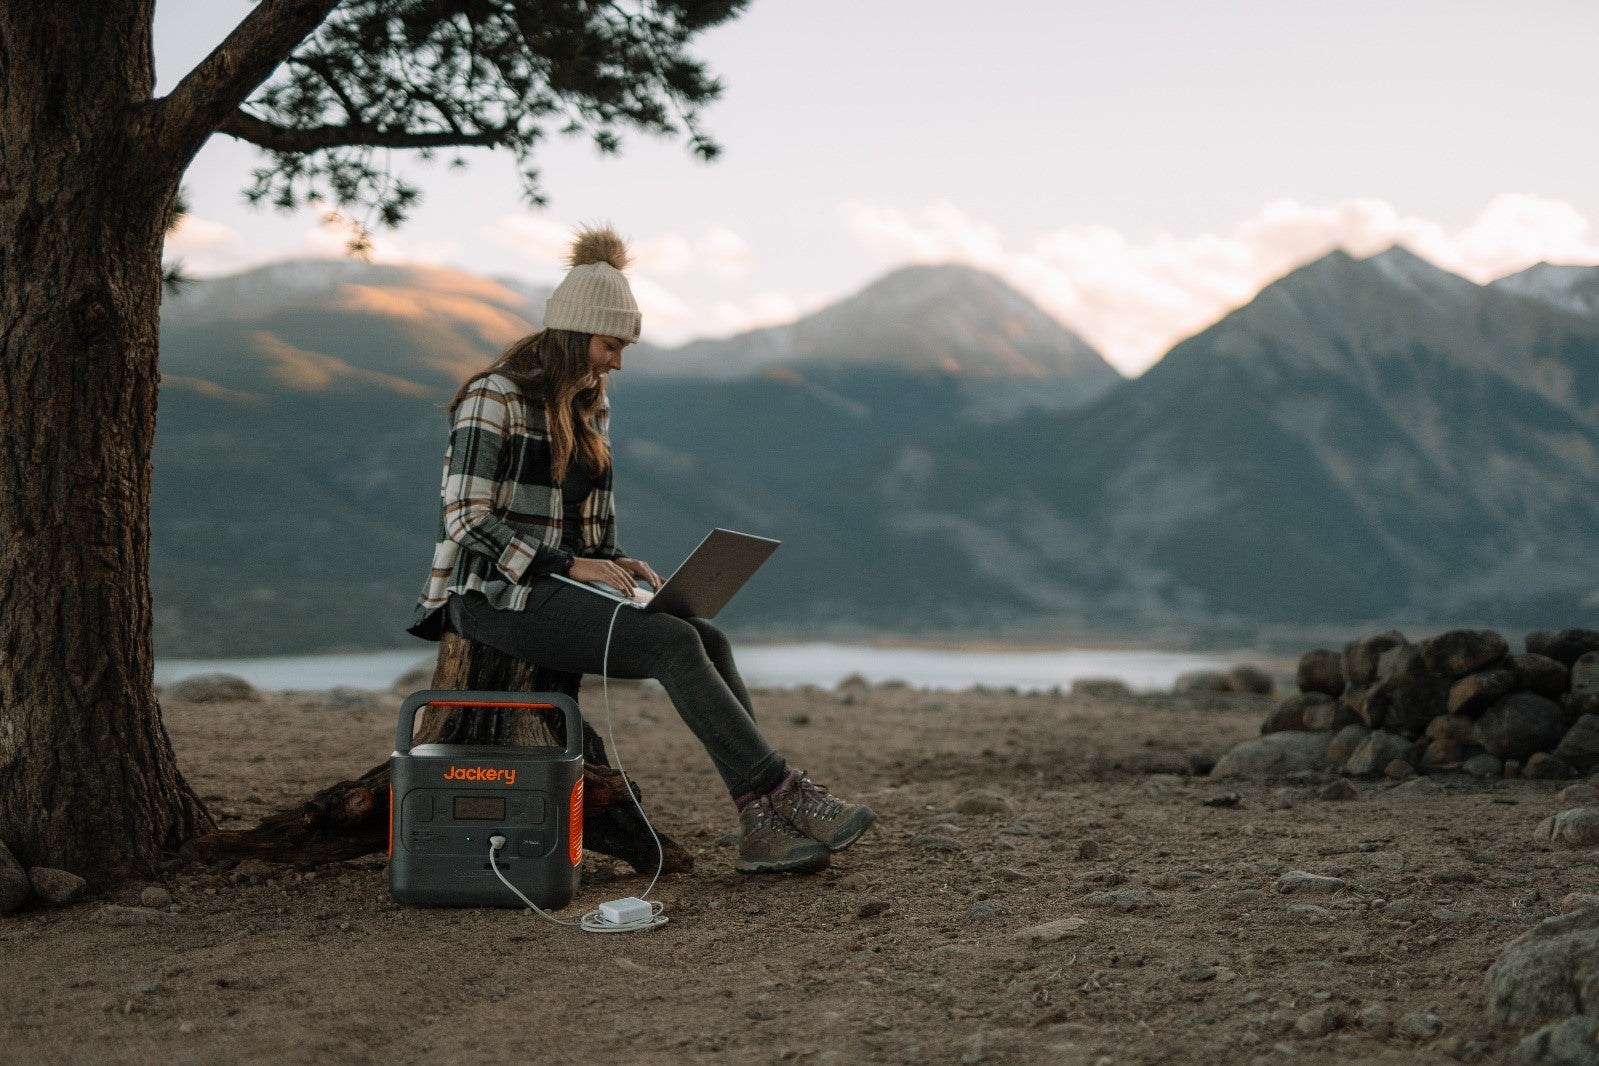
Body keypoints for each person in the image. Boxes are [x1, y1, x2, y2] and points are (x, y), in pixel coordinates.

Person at [408, 226, 874, 874]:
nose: (618, 362)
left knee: (704, 636)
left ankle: (762, 821)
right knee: (672, 644)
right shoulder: (495, 397)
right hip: (491, 595)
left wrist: (616, 563)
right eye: (611, 345)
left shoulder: (587, 409)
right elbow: (464, 518)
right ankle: (776, 795)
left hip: (552, 585)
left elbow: (587, 530)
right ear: (575, 335)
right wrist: (566, 564)